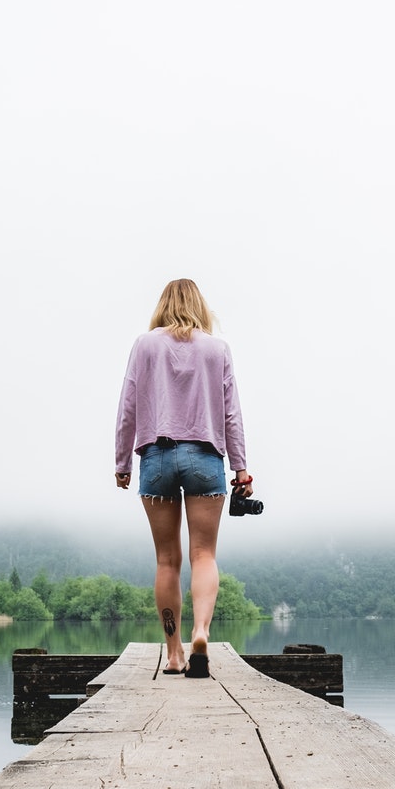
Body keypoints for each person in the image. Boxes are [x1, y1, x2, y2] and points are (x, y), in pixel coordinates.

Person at [115, 279, 253, 679]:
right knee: (204, 555)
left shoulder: (144, 345)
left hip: (156, 454)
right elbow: (232, 415)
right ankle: (201, 631)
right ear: (200, 306)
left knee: (167, 559)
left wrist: (122, 461)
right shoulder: (217, 349)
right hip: (205, 456)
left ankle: (174, 654)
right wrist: (240, 468)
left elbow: (128, 406)